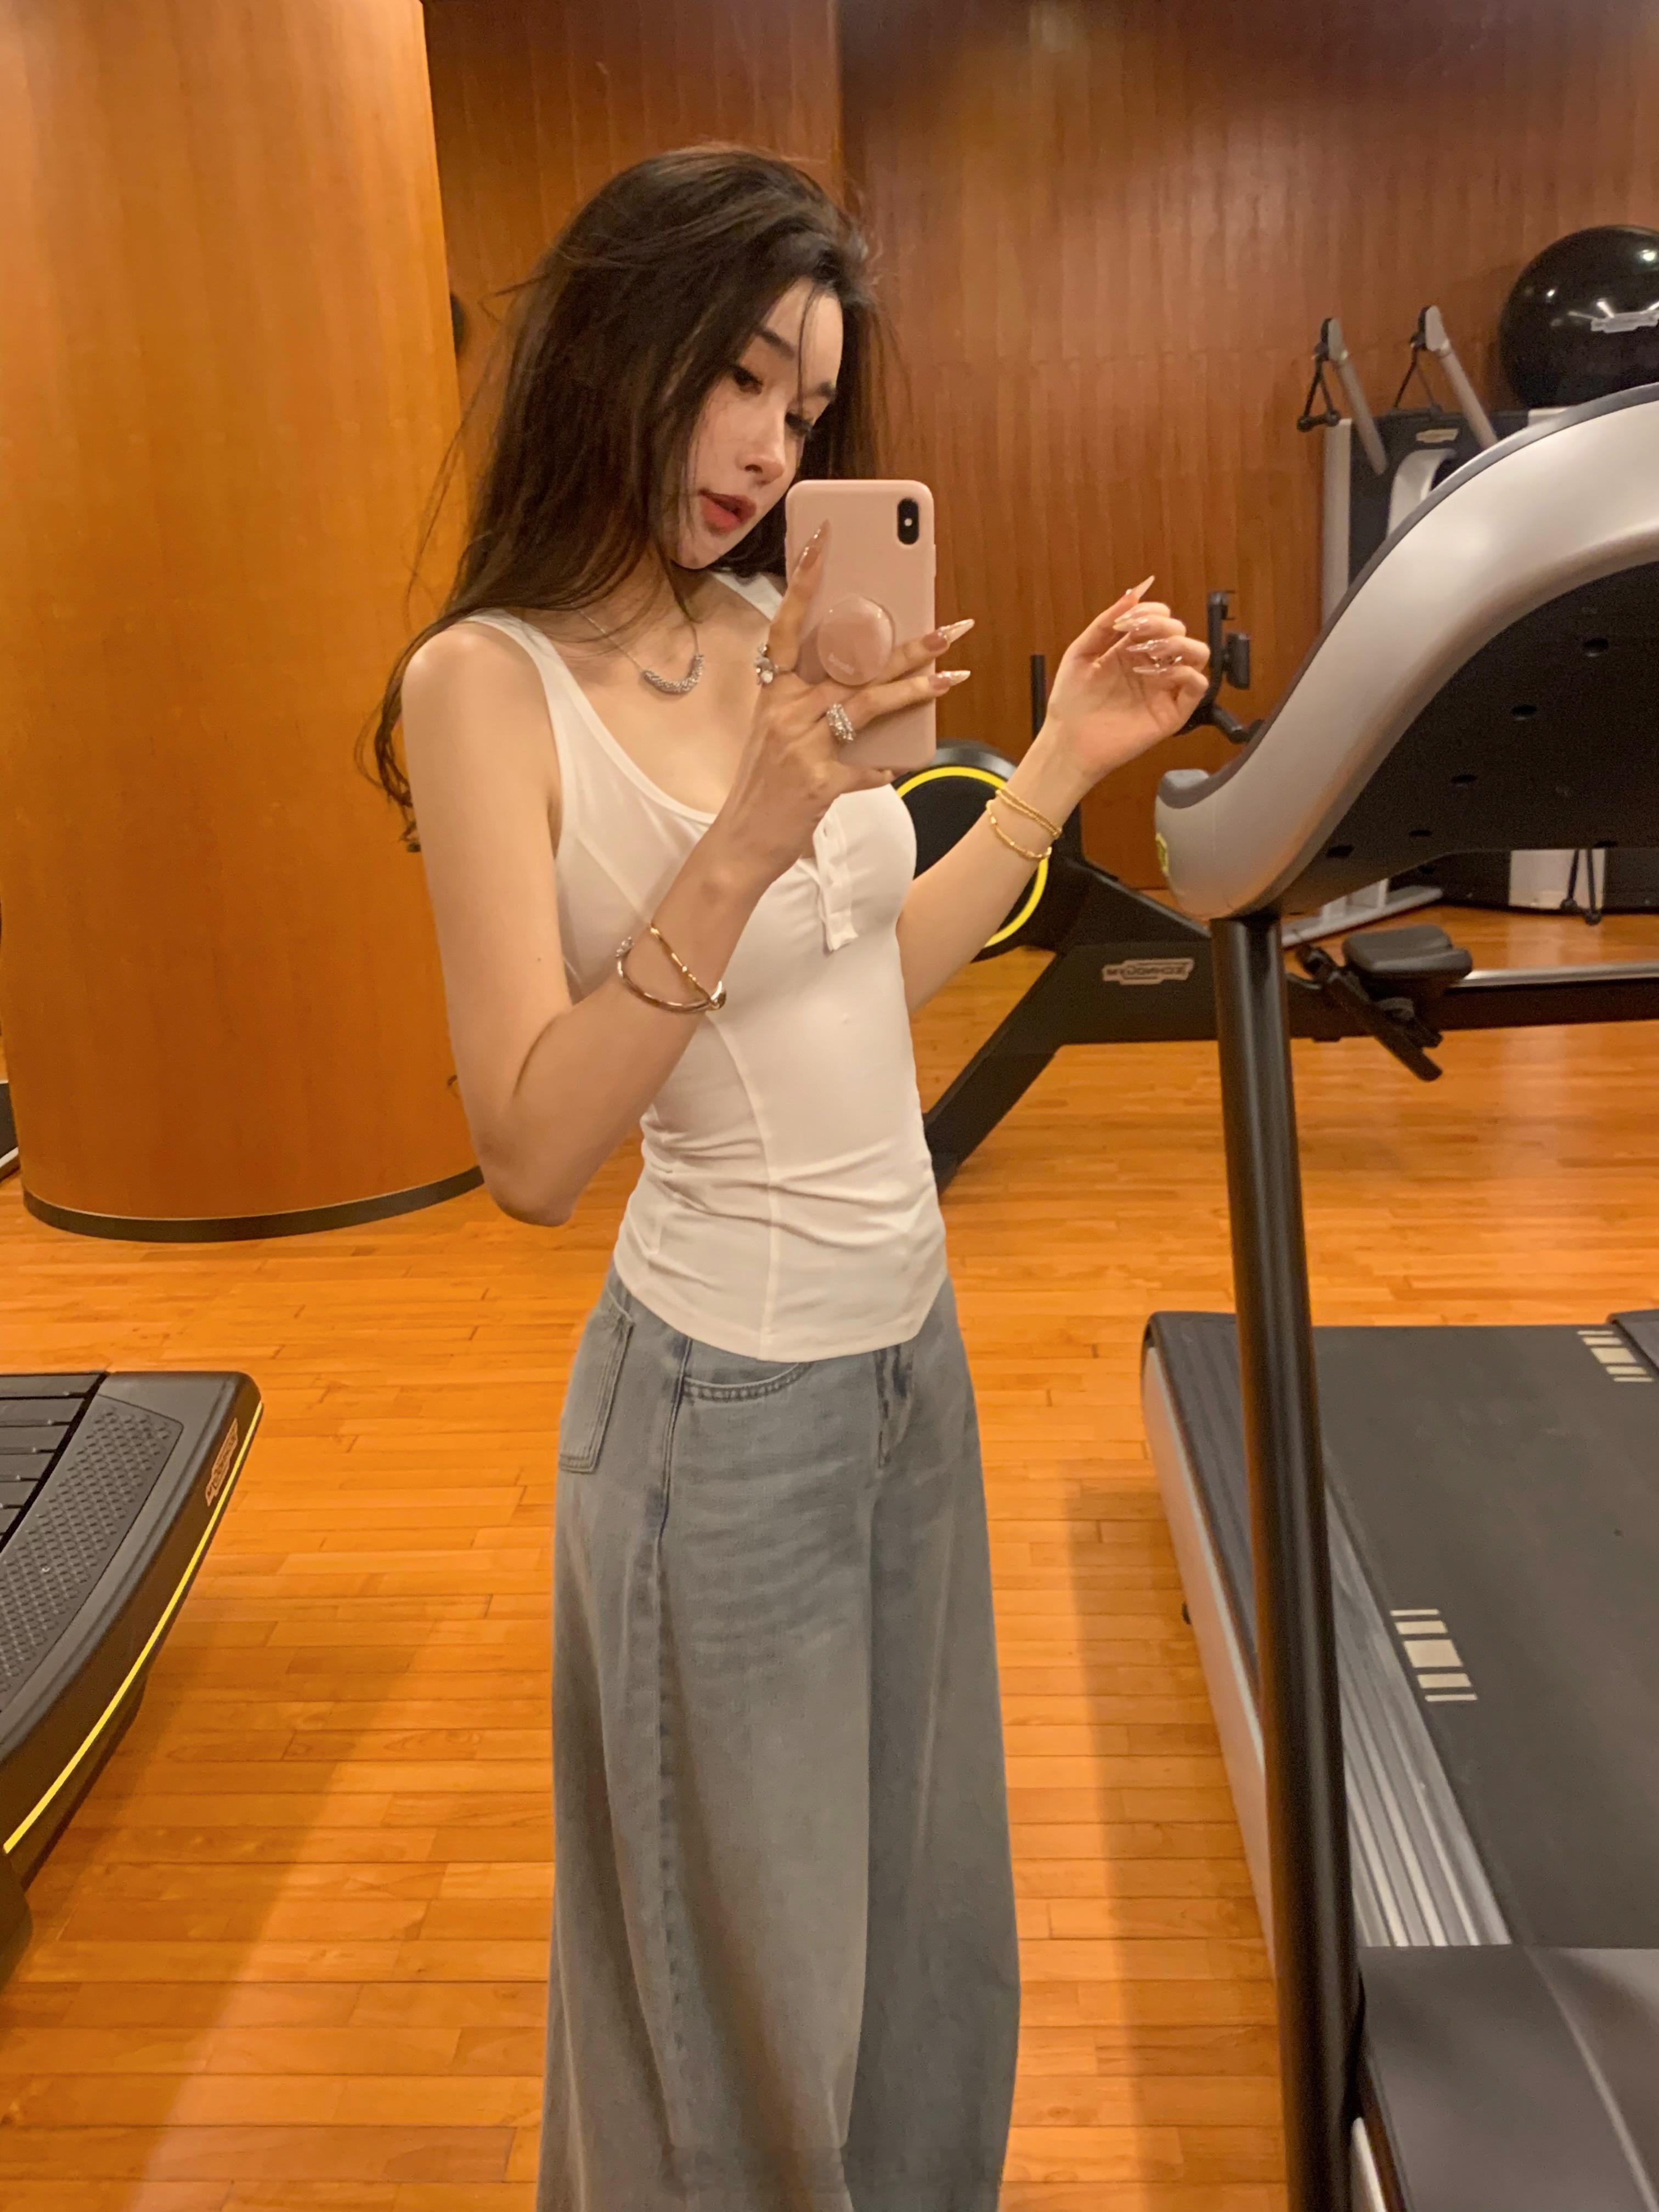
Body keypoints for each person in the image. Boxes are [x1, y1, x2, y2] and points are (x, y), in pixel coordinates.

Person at [370, 145, 1208, 2212]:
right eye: (742, 378)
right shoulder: (485, 687)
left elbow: (866, 970)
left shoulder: (776, 620)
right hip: (716, 1412)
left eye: (809, 408)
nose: (768, 449)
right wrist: (746, 829)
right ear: (621, 344)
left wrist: (1056, 765)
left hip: (910, 1360)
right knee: (737, 1997)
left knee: (926, 1939)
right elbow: (530, 1148)